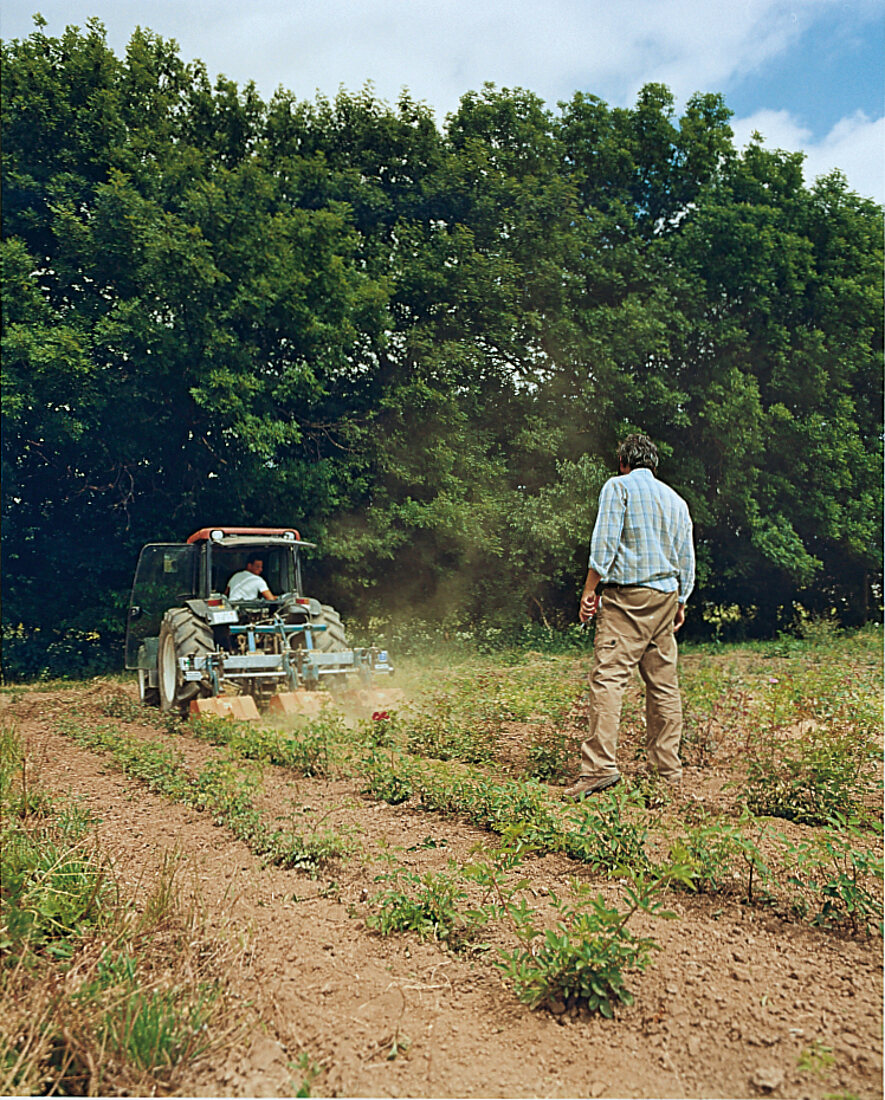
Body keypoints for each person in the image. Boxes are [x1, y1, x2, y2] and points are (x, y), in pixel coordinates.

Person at [564, 434, 695, 801]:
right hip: (666, 596)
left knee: (609, 678)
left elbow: (604, 542)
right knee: (664, 684)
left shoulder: (617, 487)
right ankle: (667, 774)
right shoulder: (676, 501)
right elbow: (687, 558)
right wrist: (681, 601)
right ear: (653, 465)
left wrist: (590, 589)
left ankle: (598, 769)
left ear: (623, 462)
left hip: (628, 597)